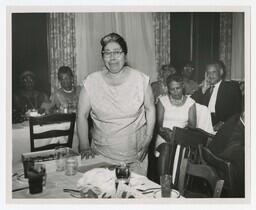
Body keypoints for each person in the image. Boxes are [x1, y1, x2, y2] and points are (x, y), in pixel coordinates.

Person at [77, 32, 156, 175]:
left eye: (117, 52)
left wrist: (148, 139)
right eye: (107, 53)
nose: (112, 57)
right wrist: (84, 147)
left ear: (125, 55)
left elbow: (150, 108)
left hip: (135, 158)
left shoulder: (140, 79)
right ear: (102, 57)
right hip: (101, 158)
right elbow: (81, 115)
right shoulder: (91, 81)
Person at [155, 74, 197, 179]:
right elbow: (158, 125)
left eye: (178, 88)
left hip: (181, 138)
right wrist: (168, 135)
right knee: (166, 148)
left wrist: (177, 135)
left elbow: (192, 127)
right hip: (163, 137)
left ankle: (176, 184)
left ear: (182, 86)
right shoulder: (162, 101)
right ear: (168, 89)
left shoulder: (191, 103)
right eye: (172, 89)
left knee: (177, 149)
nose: (175, 92)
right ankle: (163, 185)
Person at [191, 61, 242, 126]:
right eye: (208, 73)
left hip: (222, 125)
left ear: (221, 72)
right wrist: (203, 90)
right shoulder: (205, 88)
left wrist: (224, 123)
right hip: (203, 123)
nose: (210, 75)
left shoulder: (231, 87)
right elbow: (190, 104)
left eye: (213, 72)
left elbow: (237, 112)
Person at [207, 111, 245, 197]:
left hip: (218, 169)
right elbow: (236, 153)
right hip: (224, 177)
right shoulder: (236, 129)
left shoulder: (236, 118)